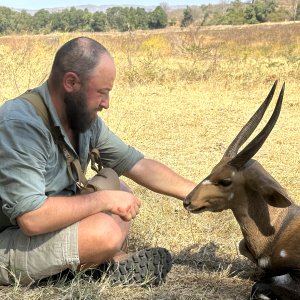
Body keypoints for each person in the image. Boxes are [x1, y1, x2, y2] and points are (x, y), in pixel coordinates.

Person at [0, 36, 196, 286]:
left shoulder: (81, 118)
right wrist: (103, 200)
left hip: (43, 222)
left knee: (121, 189)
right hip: (9, 235)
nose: (106, 103)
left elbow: (138, 165)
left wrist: (202, 193)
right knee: (106, 232)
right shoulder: (20, 125)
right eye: (101, 92)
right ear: (71, 82)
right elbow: (32, 218)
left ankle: (89, 261)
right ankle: (93, 265)